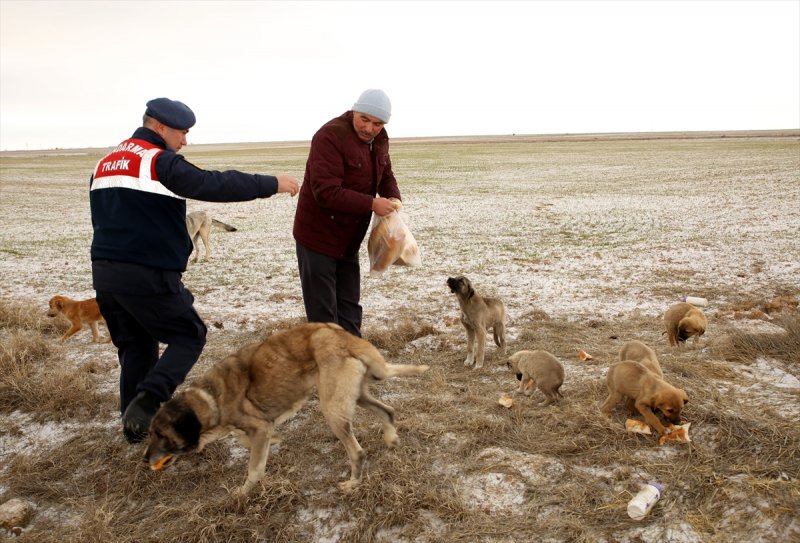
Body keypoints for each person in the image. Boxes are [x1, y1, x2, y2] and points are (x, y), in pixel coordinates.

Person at [90, 97, 299, 443]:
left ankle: (135, 430)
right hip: (147, 273)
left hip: (106, 273)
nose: (184, 141)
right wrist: (271, 183)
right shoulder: (158, 161)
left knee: (136, 346)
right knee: (189, 334)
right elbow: (211, 184)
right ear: (158, 126)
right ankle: (150, 399)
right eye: (181, 133)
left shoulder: (105, 162)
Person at [293, 89, 401, 337]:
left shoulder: (381, 139)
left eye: (377, 123)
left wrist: (394, 197)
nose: (370, 128)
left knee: (349, 306)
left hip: (348, 240)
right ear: (354, 110)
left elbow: (385, 175)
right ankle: (328, 367)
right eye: (364, 119)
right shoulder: (329, 136)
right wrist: (372, 204)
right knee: (323, 314)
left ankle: (353, 362)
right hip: (317, 238)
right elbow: (326, 191)